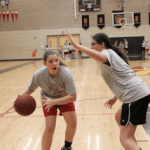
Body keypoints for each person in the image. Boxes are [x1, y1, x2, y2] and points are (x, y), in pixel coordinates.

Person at [67, 30, 150, 150]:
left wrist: (77, 46)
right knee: (118, 117)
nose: (91, 47)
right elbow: (122, 78)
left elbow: (101, 57)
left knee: (124, 139)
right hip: (138, 93)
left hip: (135, 96)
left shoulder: (106, 53)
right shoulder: (111, 53)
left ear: (102, 44)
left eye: (93, 44)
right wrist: (114, 97)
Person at [14, 50, 77, 150]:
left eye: (56, 60)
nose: (54, 63)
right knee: (49, 127)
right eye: (50, 61)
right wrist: (18, 101)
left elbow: (73, 96)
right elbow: (30, 89)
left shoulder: (65, 73)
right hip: (47, 99)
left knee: (72, 123)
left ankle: (67, 147)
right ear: (45, 63)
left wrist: (55, 102)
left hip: (64, 98)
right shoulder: (39, 75)